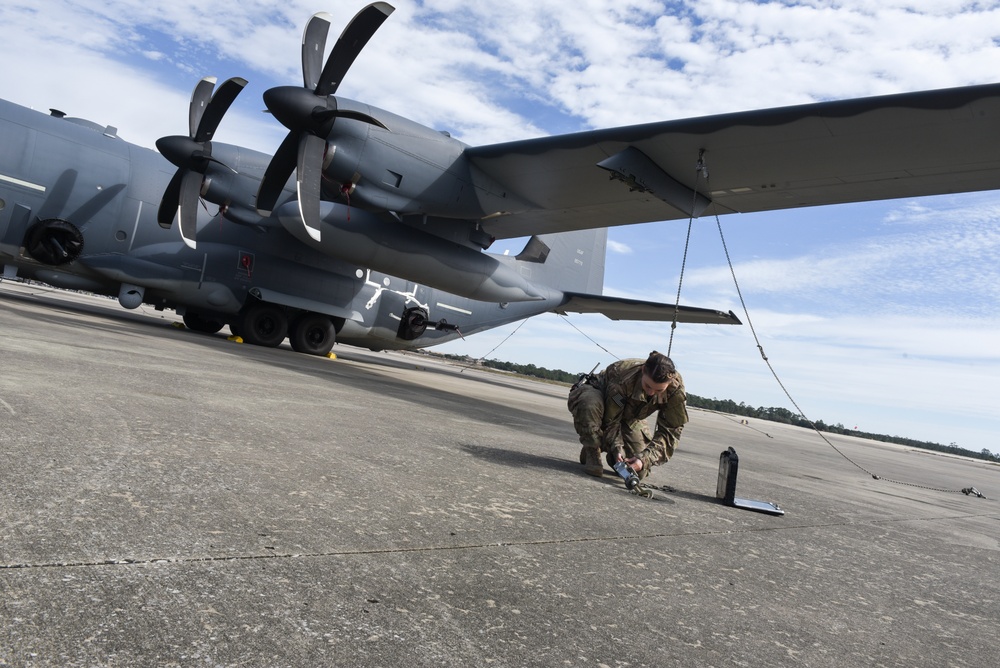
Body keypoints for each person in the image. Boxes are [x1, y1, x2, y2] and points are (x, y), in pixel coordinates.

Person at [567, 351, 688, 479]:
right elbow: (611, 420)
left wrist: (643, 460)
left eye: (659, 390)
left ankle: (612, 457)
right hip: (601, 397)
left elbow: (670, 434)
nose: (651, 393)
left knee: (639, 471)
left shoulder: (675, 391)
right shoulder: (622, 377)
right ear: (643, 371)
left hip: (630, 416)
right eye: (647, 386)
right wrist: (617, 448)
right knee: (590, 405)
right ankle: (592, 448)